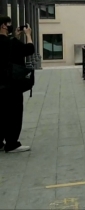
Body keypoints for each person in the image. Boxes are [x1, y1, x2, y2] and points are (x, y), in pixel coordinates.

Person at [0, 15, 34, 153]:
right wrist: (28, 35)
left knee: (1, 113)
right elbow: (28, 50)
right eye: (9, 23)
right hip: (11, 84)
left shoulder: (9, 41)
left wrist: (15, 37)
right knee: (13, 113)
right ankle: (12, 143)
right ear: (3, 25)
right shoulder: (11, 42)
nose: (10, 25)